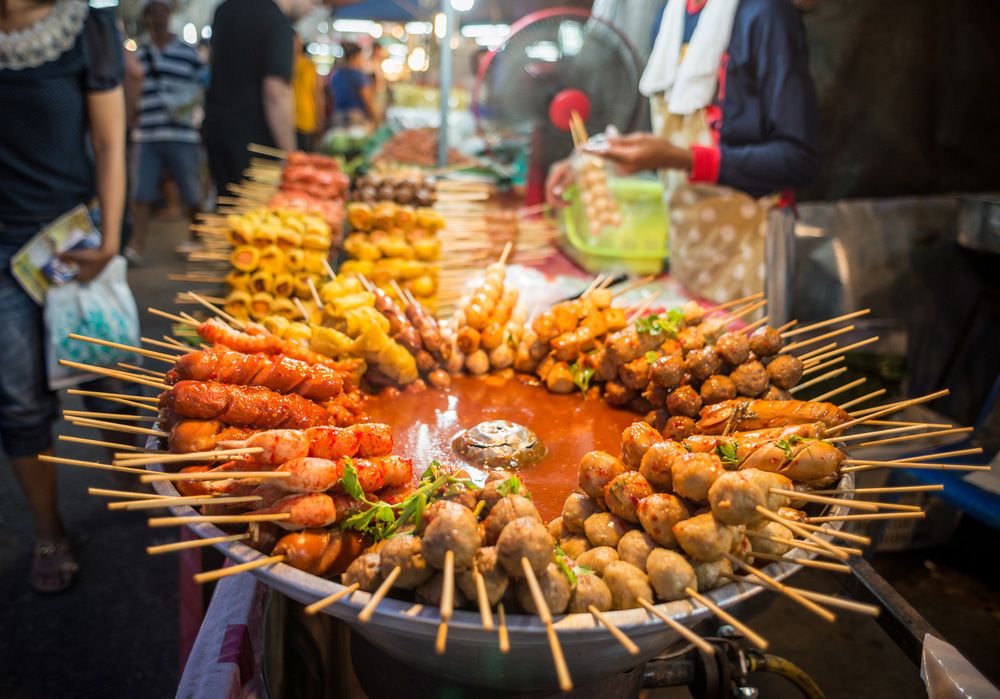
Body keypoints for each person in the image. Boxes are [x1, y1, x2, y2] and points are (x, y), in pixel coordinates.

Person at [547, 0, 819, 303]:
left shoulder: (766, 16)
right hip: (688, 253)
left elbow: (799, 158)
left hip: (750, 252)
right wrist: (591, 162)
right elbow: (666, 137)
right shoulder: (671, 14)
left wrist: (682, 159)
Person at [0, 0, 127, 592]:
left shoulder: (84, 27)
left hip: (71, 237)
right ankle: (49, 531)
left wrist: (112, 237)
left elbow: (110, 141)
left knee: (107, 375)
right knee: (19, 404)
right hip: (1, 253)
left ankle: (133, 485)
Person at [203, 0, 316, 200]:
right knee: (257, 215)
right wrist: (290, 155)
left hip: (218, 134)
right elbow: (276, 92)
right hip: (257, 146)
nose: (312, 9)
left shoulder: (224, 9)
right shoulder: (277, 22)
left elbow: (212, 65)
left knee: (227, 206)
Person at [129, 0, 205, 261]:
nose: (158, 18)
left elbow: (202, 85)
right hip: (147, 134)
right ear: (146, 17)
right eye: (153, 13)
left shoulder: (187, 52)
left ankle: (197, 238)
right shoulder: (138, 53)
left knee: (191, 191)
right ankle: (137, 245)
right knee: (141, 193)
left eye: (162, 12)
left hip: (181, 134)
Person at [329, 42, 376, 127]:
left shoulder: (336, 74)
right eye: (360, 57)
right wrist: (375, 118)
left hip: (337, 116)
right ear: (355, 57)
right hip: (355, 118)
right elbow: (368, 101)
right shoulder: (359, 76)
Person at [292, 35, 324, 152]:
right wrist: (320, 119)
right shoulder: (309, 66)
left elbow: (318, 94)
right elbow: (318, 94)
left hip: (303, 120)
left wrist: (319, 118)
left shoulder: (309, 66)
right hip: (297, 120)